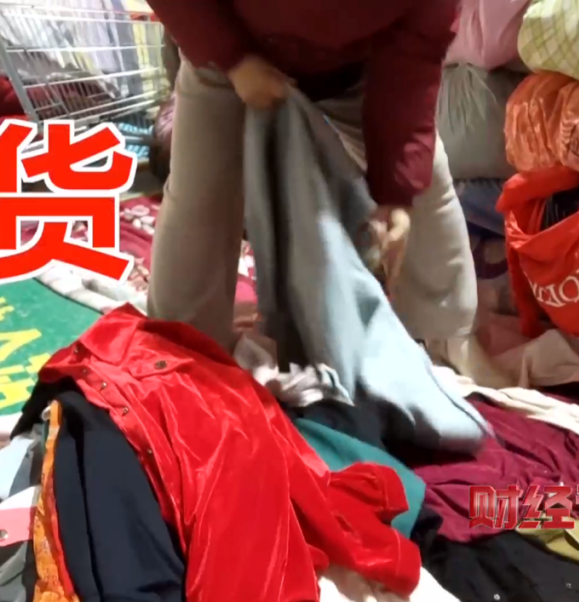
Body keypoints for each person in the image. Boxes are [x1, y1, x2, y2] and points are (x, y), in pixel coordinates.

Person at [144, 0, 510, 386]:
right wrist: (234, 59)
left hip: (354, 68)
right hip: (226, 44)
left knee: (425, 189)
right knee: (199, 196)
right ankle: (177, 350)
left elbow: (413, 64)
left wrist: (397, 193)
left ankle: (449, 337)